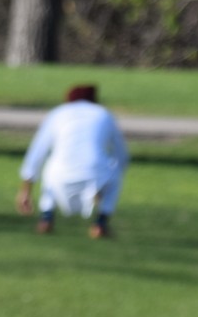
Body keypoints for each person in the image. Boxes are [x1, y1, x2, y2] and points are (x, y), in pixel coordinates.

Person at [16, 84, 129, 238]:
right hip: (96, 172)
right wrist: (106, 181)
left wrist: (26, 191)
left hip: (59, 174)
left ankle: (46, 218)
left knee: (51, 167)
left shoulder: (58, 113)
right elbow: (121, 155)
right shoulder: (104, 114)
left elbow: (37, 152)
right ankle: (100, 223)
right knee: (115, 176)